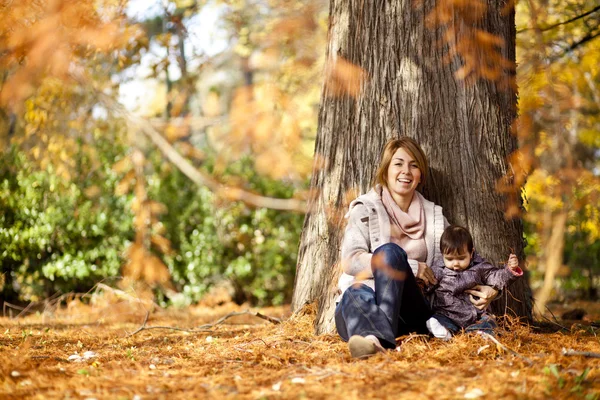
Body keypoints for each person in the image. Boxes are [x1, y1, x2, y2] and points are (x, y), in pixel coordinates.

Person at [335, 137, 500, 358]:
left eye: (414, 165)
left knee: (390, 253)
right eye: (398, 163)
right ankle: (373, 343)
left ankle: (378, 341)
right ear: (385, 171)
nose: (406, 171)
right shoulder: (365, 209)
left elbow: (466, 255)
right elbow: (351, 260)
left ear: (420, 175)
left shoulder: (434, 217)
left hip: (411, 310)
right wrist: (412, 266)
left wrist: (494, 288)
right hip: (362, 308)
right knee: (354, 292)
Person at [424, 225, 523, 340]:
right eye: (450, 259)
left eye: (461, 258)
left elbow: (495, 277)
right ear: (442, 255)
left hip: (476, 315)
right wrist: (422, 284)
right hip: (448, 313)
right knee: (438, 320)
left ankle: (481, 335)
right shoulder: (438, 270)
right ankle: (445, 333)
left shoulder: (479, 267)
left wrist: (510, 270)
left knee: (488, 322)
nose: (455, 263)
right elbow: (427, 284)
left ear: (471, 253)